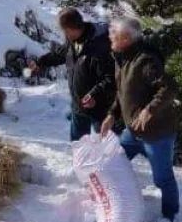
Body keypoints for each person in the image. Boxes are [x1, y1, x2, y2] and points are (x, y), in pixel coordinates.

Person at [99, 18, 181, 222]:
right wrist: (111, 114)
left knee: (162, 178)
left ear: (126, 39)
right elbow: (123, 93)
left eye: (114, 34)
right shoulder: (123, 59)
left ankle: (170, 216)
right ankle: (116, 204)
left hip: (156, 134)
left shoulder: (145, 61)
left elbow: (168, 87)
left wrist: (149, 109)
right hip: (133, 131)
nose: (110, 37)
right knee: (112, 163)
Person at [29, 8, 116, 142]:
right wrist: (40, 63)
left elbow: (110, 78)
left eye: (64, 30)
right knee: (77, 146)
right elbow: (59, 55)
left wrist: (94, 95)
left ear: (71, 29)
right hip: (79, 105)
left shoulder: (100, 46)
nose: (63, 33)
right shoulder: (72, 42)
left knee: (108, 147)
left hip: (100, 108)